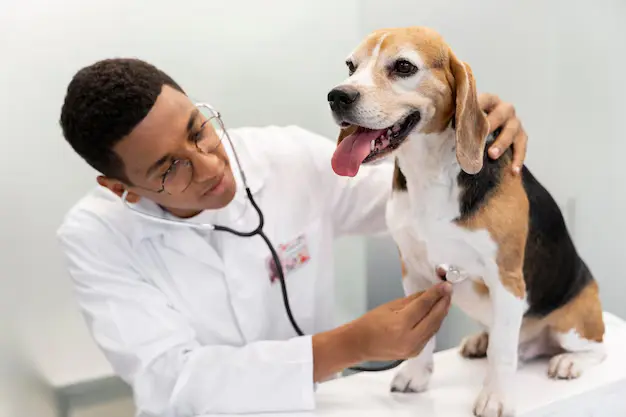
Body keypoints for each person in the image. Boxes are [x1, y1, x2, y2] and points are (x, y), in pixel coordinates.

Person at [56, 58, 529, 417]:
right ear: (120, 188)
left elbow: (407, 205)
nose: (209, 166)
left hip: (321, 402)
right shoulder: (96, 236)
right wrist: (349, 346)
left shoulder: (282, 155)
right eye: (168, 168)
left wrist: (465, 131)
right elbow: (170, 381)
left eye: (198, 130)